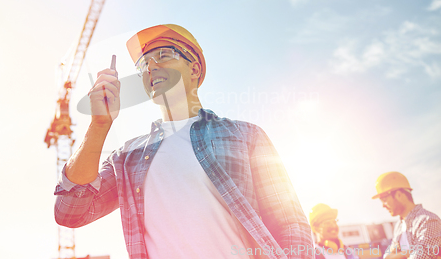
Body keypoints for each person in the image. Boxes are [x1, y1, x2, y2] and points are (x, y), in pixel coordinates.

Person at [54, 24, 313, 259]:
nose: (151, 67)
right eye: (143, 64)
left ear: (194, 68)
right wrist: (99, 126)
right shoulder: (127, 157)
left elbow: (291, 226)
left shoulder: (245, 136)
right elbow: (71, 212)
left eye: (163, 55)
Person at [372, 171, 441, 259]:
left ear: (399, 195)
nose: (383, 205)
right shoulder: (399, 226)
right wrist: (405, 254)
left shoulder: (428, 221)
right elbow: (387, 256)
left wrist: (398, 255)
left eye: (384, 199)